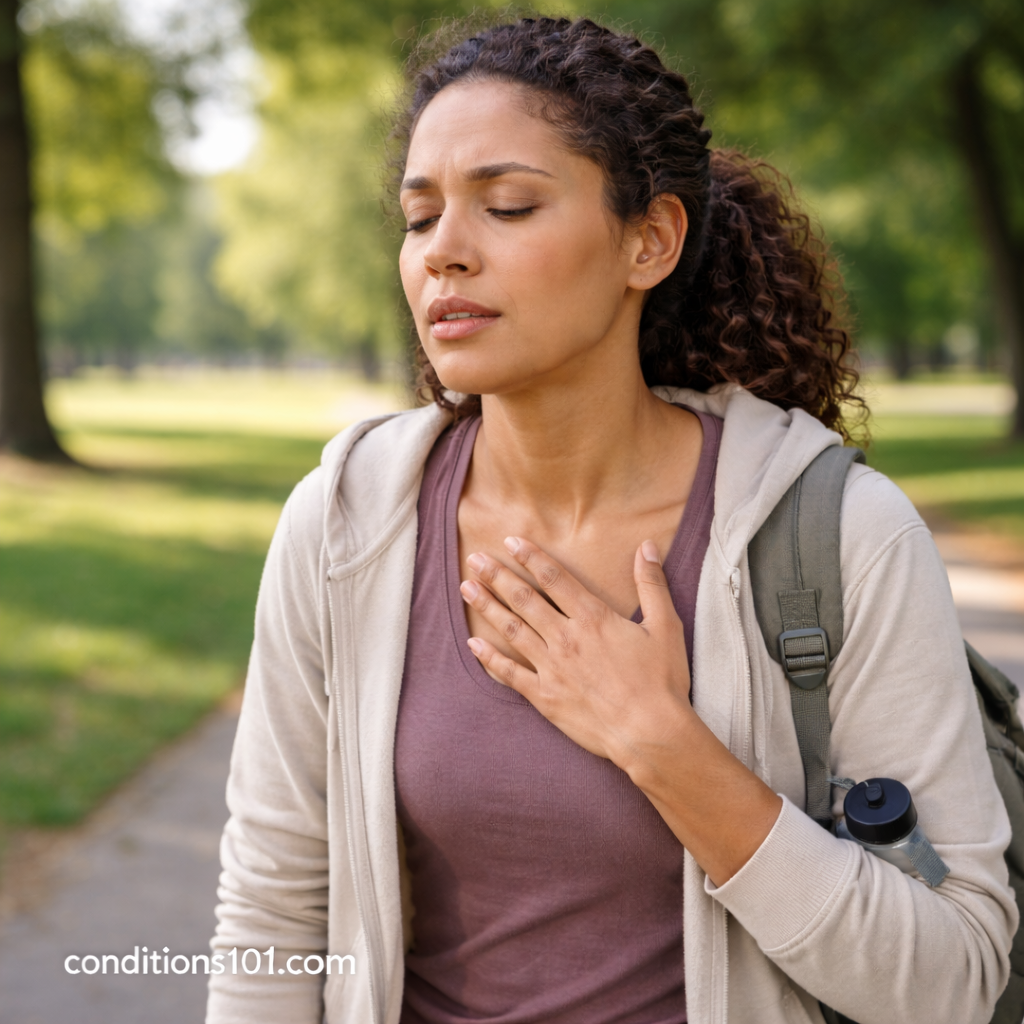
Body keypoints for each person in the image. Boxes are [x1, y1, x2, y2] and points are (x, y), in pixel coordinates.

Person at [207, 17, 1016, 1024]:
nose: (443, 254)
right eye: (419, 218)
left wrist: (662, 745)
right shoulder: (345, 520)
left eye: (505, 205)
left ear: (649, 240)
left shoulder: (842, 535)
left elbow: (951, 981)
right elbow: (273, 915)